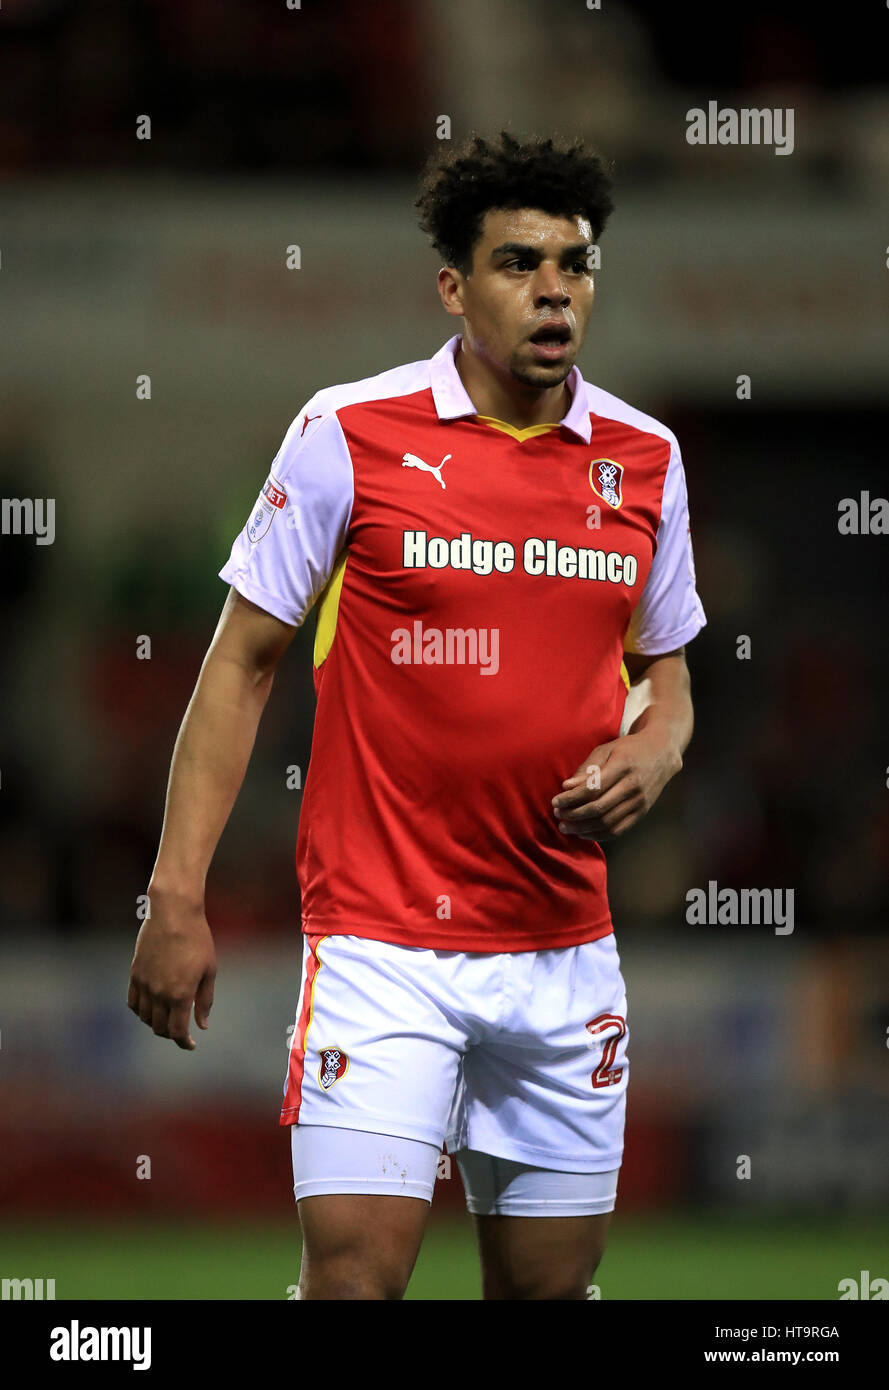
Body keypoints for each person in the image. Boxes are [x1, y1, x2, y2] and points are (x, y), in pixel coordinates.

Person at [128, 130, 706, 1300]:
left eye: (576, 265)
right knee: (353, 1285)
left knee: (547, 1293)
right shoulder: (347, 436)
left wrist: (656, 746)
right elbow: (239, 665)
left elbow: (671, 681)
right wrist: (176, 893)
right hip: (382, 946)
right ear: (453, 286)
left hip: (561, 953)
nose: (555, 290)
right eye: (520, 263)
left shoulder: (644, 460)